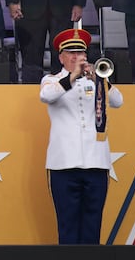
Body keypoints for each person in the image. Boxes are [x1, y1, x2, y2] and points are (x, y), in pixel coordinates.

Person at [40, 28, 123, 245]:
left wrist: (102, 79)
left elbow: (118, 101)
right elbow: (47, 96)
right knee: (67, 226)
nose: (77, 58)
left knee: (92, 226)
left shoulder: (96, 81)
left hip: (96, 162)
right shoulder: (52, 80)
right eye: (72, 54)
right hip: (63, 164)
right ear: (61, 57)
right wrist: (71, 78)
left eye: (81, 53)